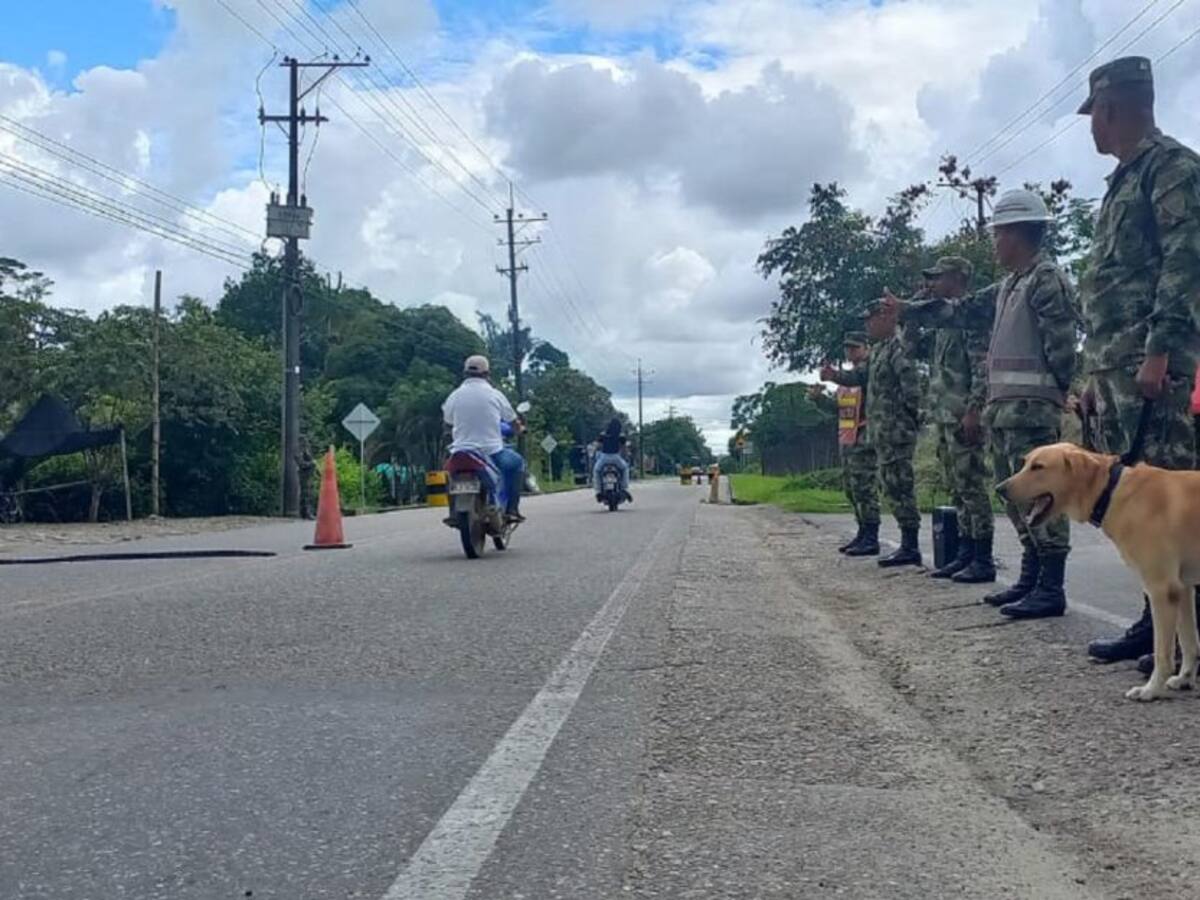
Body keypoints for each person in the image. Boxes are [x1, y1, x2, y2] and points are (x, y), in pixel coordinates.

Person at [888, 189, 1078, 618]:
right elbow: (959, 311)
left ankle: (1051, 586)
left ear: (1018, 234)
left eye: (998, 235)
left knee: (1043, 495)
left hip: (1032, 410)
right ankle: (1031, 575)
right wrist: (908, 310)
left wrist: (1057, 393)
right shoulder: (1010, 285)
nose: (994, 243)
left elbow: (1063, 349)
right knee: (1015, 496)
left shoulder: (1045, 279)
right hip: (1005, 411)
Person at [1071, 57, 1200, 667]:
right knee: (1137, 505)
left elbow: (1184, 263)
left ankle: (1186, 637)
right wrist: (1093, 373)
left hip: (1152, 364)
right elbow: (1109, 284)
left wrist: (1160, 351)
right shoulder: (1124, 179)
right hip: (1116, 366)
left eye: (1093, 115)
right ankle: (1157, 623)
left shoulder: (1171, 168)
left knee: (1171, 499)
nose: (1092, 127)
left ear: (1111, 108)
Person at [919, 257, 995, 583]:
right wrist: (918, 304)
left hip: (964, 415)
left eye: (938, 278)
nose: (932, 284)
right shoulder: (944, 325)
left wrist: (975, 410)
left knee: (972, 485)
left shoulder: (970, 320)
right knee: (957, 486)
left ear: (957, 278)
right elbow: (912, 346)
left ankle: (983, 556)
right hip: (945, 417)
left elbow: (981, 368)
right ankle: (965, 551)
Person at [862, 300, 922, 568]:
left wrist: (908, 420)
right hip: (883, 432)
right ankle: (906, 542)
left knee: (901, 486)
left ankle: (911, 544)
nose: (868, 325)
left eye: (871, 319)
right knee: (890, 486)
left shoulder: (898, 347)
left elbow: (911, 389)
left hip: (897, 431)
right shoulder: (879, 350)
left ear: (886, 317)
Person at [442, 355, 526, 522]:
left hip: (461, 450)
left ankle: (453, 512)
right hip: (491, 451)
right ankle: (512, 510)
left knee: (448, 474)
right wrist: (520, 429)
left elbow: (448, 421)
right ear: (487, 374)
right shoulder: (495, 395)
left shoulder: (454, 396)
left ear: (465, 373)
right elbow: (513, 421)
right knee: (517, 463)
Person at [819, 331, 881, 556]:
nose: (850, 352)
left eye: (855, 347)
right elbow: (839, 409)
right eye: (848, 348)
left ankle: (871, 536)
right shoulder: (847, 380)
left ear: (866, 347)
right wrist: (819, 399)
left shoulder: (868, 371)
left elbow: (857, 378)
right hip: (848, 436)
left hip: (865, 434)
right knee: (852, 488)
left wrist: (834, 375)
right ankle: (862, 531)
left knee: (864, 487)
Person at [592, 417, 633, 502]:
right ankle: (624, 489)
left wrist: (594, 454)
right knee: (625, 469)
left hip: (604, 458)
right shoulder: (620, 435)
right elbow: (624, 449)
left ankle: (598, 491)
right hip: (616, 457)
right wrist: (626, 457)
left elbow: (598, 446)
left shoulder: (603, 434)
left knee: (596, 471)